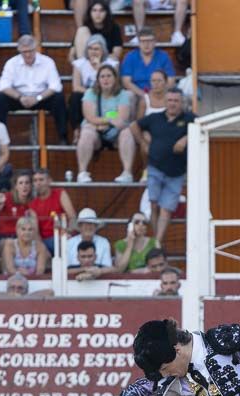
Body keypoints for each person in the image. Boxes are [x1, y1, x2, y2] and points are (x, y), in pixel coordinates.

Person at [132, 87, 192, 243]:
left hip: (177, 173)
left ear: (182, 103)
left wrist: (187, 138)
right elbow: (134, 126)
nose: (172, 104)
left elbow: (203, 128)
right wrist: (143, 142)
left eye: (176, 101)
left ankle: (157, 242)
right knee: (153, 205)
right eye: (170, 100)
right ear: (165, 102)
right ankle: (157, 242)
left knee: (166, 209)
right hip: (155, 168)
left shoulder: (190, 119)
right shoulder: (154, 118)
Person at [0, 35, 69, 145]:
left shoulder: (47, 62)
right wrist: (20, 97)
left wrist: (37, 98)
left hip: (41, 97)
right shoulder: (11, 63)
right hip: (19, 98)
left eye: (30, 51)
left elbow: (56, 86)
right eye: (24, 52)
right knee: (0, 99)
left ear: (35, 49)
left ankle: (63, 137)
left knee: (59, 98)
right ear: (19, 50)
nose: (28, 54)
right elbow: (3, 86)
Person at [77, 64, 137, 184]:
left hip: (116, 133)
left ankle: (127, 173)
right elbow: (90, 117)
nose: (106, 79)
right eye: (102, 76)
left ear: (115, 78)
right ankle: (82, 172)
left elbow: (123, 117)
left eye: (109, 76)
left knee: (127, 132)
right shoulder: (90, 93)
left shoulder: (122, 94)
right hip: (96, 133)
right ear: (98, 80)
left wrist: (103, 119)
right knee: (87, 131)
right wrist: (109, 119)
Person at [70, 34, 117, 132]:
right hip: (88, 95)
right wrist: (92, 92)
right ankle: (77, 130)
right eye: (90, 49)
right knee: (75, 97)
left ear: (103, 50)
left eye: (96, 49)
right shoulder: (80, 63)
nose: (93, 52)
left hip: (107, 95)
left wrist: (98, 67)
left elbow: (115, 85)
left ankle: (109, 126)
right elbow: (76, 87)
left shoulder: (112, 64)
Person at [29, 168, 76, 253]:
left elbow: (73, 217)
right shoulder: (32, 205)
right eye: (35, 181)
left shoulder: (60, 193)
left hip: (64, 236)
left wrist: (68, 232)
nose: (38, 183)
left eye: (41, 180)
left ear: (49, 181)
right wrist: (41, 249)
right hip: (45, 241)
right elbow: (36, 232)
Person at [120, 28, 175, 99]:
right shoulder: (130, 56)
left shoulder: (163, 56)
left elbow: (170, 80)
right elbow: (126, 82)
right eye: (143, 41)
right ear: (139, 43)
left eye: (149, 41)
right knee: (128, 95)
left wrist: (158, 93)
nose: (146, 44)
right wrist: (144, 95)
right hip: (137, 93)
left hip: (159, 93)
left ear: (155, 42)